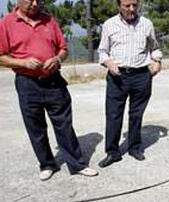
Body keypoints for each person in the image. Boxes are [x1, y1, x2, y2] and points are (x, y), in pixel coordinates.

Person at [0, 0, 98, 181]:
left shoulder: (49, 20)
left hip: (53, 82)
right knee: (35, 127)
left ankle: (77, 165)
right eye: (31, 0)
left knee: (64, 124)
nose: (36, 4)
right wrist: (23, 63)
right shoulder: (6, 23)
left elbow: (63, 49)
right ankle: (47, 164)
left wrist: (57, 59)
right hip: (27, 83)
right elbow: (1, 57)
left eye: (39, 0)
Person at [97, 0, 162, 168]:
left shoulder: (146, 24)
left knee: (136, 114)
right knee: (113, 115)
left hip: (141, 75)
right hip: (117, 76)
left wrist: (157, 61)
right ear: (119, 5)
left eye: (135, 5)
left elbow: (154, 48)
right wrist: (109, 63)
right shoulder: (109, 25)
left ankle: (134, 147)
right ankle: (112, 152)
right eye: (127, 6)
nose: (132, 9)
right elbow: (103, 51)